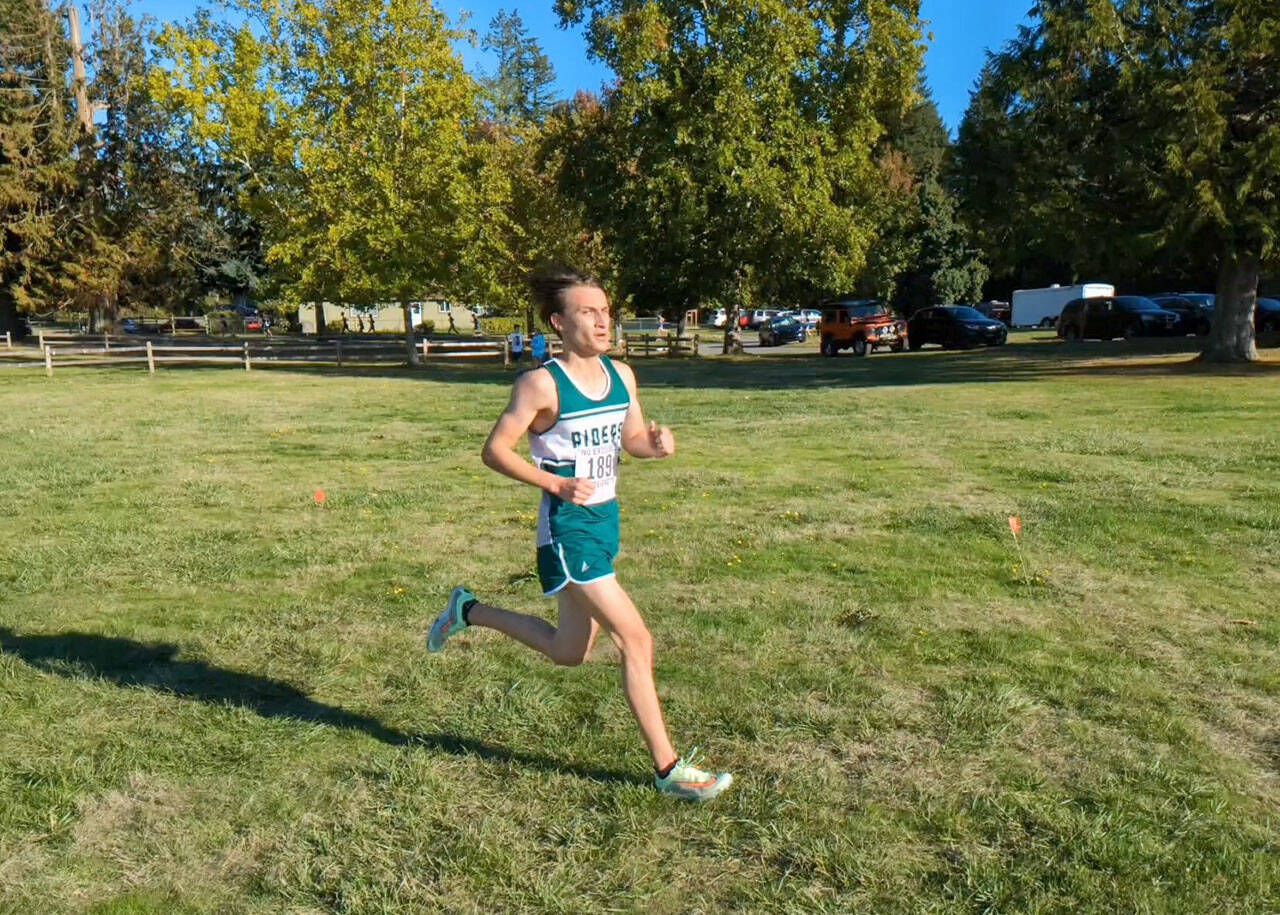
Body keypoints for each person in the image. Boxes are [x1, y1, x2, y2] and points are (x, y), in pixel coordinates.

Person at [427, 267, 733, 802]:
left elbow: (631, 439)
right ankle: (668, 770)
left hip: (605, 520)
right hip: (567, 530)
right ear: (558, 322)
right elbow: (494, 451)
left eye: (606, 310)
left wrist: (656, 446)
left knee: (568, 652)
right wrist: (555, 482)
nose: (602, 320)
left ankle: (467, 610)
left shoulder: (622, 375)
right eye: (588, 312)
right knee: (635, 638)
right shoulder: (541, 384)